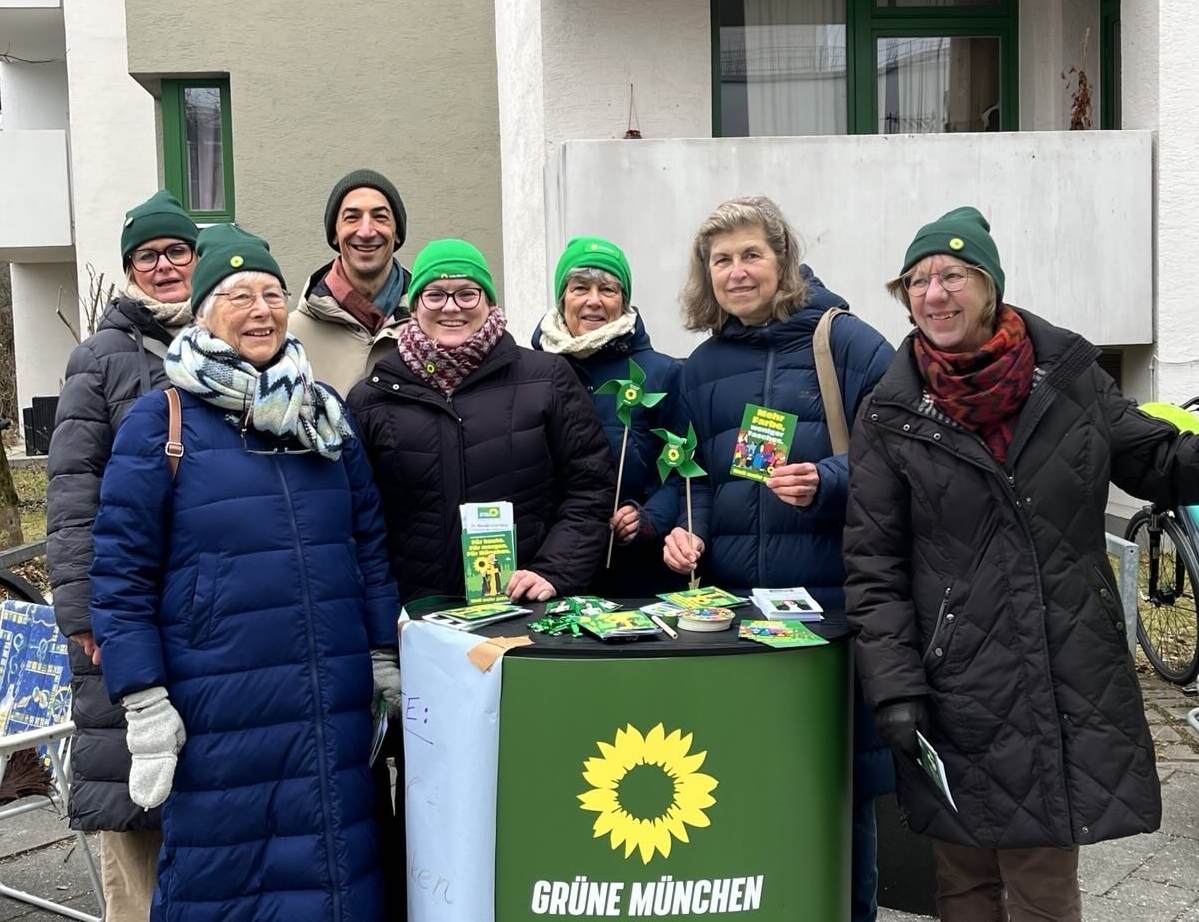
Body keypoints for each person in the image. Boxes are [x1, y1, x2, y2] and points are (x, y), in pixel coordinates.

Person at [844, 206, 1199, 922]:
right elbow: (872, 562)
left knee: (1042, 877)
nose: (932, 294)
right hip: (955, 679)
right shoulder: (891, 410)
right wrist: (892, 688)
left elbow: (1157, 461)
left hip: (1061, 664)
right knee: (962, 878)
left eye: (951, 275)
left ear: (990, 285)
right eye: (915, 281)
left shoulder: (1068, 378)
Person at [89, 224, 399, 922]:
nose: (260, 310)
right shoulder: (159, 420)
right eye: (237, 296)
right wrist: (142, 701)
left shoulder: (322, 417)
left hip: (330, 694)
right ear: (203, 313)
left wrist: (381, 655)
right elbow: (120, 573)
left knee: (339, 863)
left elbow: (368, 541)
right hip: (222, 702)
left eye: (271, 294)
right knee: (226, 875)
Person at [662, 195, 895, 922]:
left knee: (836, 792)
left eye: (750, 255)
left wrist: (826, 481)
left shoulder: (846, 343)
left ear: (782, 259)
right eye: (721, 259)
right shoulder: (700, 367)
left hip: (830, 617)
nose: (736, 272)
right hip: (736, 622)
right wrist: (679, 530)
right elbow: (687, 475)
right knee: (742, 782)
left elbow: (904, 458)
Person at [45, 189, 197, 922]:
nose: (165, 266)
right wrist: (81, 616)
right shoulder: (99, 359)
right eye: (149, 256)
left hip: (198, 606)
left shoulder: (223, 341)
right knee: (132, 813)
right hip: (119, 613)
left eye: (176, 251)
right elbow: (72, 496)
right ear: (130, 269)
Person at [348, 238, 614, 604]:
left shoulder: (548, 378)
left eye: (467, 293)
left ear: (489, 301)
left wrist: (554, 571)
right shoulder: (374, 397)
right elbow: (361, 517)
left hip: (525, 608)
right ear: (414, 305)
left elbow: (589, 489)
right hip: (420, 614)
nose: (451, 307)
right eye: (435, 294)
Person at [532, 235, 685, 596]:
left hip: (636, 570)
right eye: (580, 287)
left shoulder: (661, 374)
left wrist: (647, 518)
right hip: (549, 564)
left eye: (608, 289)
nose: (594, 301)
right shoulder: (534, 371)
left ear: (624, 300)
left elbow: (682, 473)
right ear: (562, 298)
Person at [290, 169, 411, 396]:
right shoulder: (292, 336)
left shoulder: (430, 325)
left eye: (380, 217)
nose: (366, 231)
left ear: (397, 233)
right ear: (335, 233)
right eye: (352, 217)